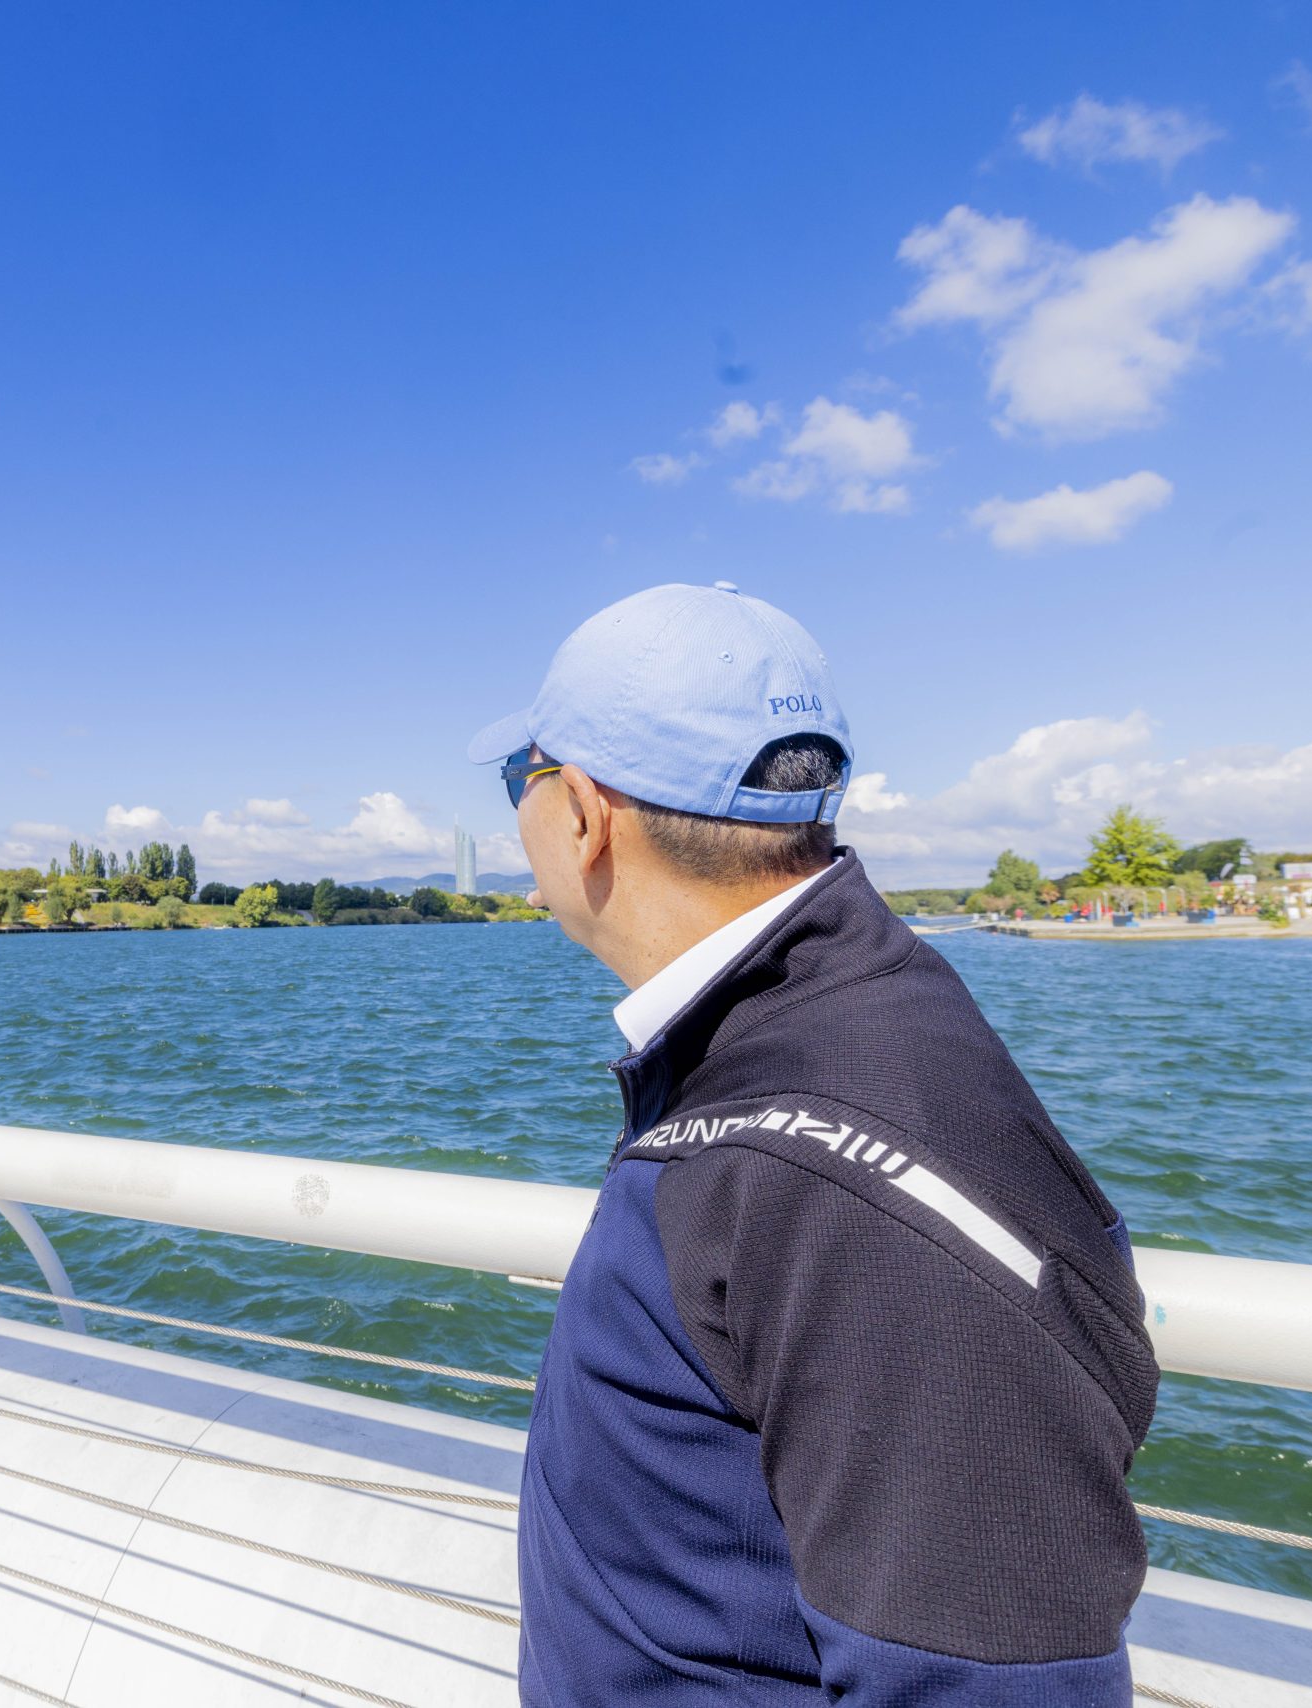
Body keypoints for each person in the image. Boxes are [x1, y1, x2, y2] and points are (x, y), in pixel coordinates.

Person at [469, 582, 1157, 1706]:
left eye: (521, 779)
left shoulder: (836, 1160)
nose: (522, 815)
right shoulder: (781, 1050)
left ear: (585, 813)